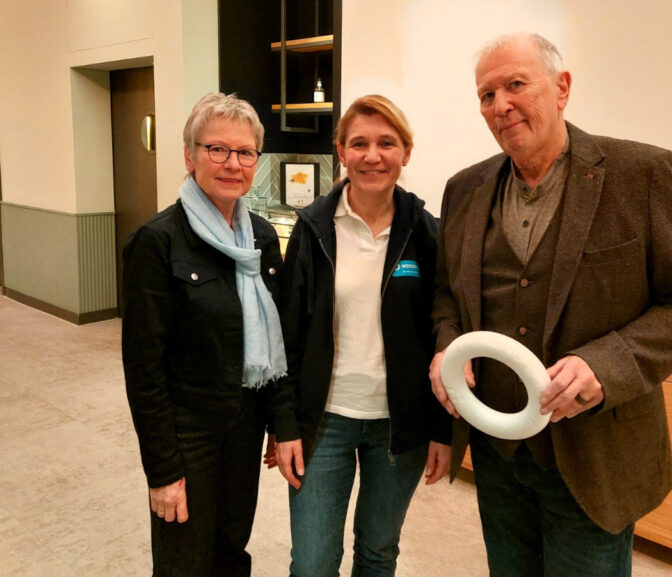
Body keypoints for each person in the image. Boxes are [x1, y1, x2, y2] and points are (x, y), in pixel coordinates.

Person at [429, 33, 672, 577]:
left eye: (516, 85)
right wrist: (449, 343)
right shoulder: (463, 189)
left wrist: (606, 364)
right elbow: (449, 292)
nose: (501, 105)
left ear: (562, 88)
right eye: (486, 95)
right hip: (498, 453)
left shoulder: (642, 174)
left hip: (594, 457)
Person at [270, 94, 452, 577]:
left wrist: (443, 429)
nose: (373, 156)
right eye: (360, 143)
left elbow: (444, 336)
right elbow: (287, 336)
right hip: (323, 421)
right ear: (342, 152)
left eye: (386, 143)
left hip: (399, 425)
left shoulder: (428, 234)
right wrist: (283, 425)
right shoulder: (312, 229)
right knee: (312, 562)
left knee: (377, 553)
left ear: (406, 153)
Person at [122, 92, 286, 577]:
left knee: (231, 551)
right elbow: (143, 370)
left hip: (245, 425)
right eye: (217, 149)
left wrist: (278, 421)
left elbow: (276, 337)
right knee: (184, 562)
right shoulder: (157, 242)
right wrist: (163, 471)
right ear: (189, 156)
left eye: (245, 152)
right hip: (187, 433)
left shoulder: (261, 237)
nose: (232, 163)